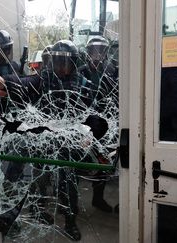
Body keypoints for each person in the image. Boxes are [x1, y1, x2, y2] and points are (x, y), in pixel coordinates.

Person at [0, 40, 94, 241]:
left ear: (74, 63)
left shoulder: (83, 84)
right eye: (57, 62)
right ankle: (23, 212)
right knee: (35, 178)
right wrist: (5, 82)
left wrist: (87, 133)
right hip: (44, 141)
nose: (61, 67)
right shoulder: (43, 79)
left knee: (69, 184)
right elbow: (20, 82)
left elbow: (93, 115)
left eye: (65, 63)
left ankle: (70, 222)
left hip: (68, 142)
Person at [78, 36, 118, 213]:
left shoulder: (111, 70)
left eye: (100, 51)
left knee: (104, 160)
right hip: (85, 124)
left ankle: (98, 198)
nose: (97, 55)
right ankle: (73, 204)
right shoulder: (80, 72)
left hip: (105, 122)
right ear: (88, 53)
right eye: (93, 51)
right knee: (78, 160)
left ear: (105, 53)